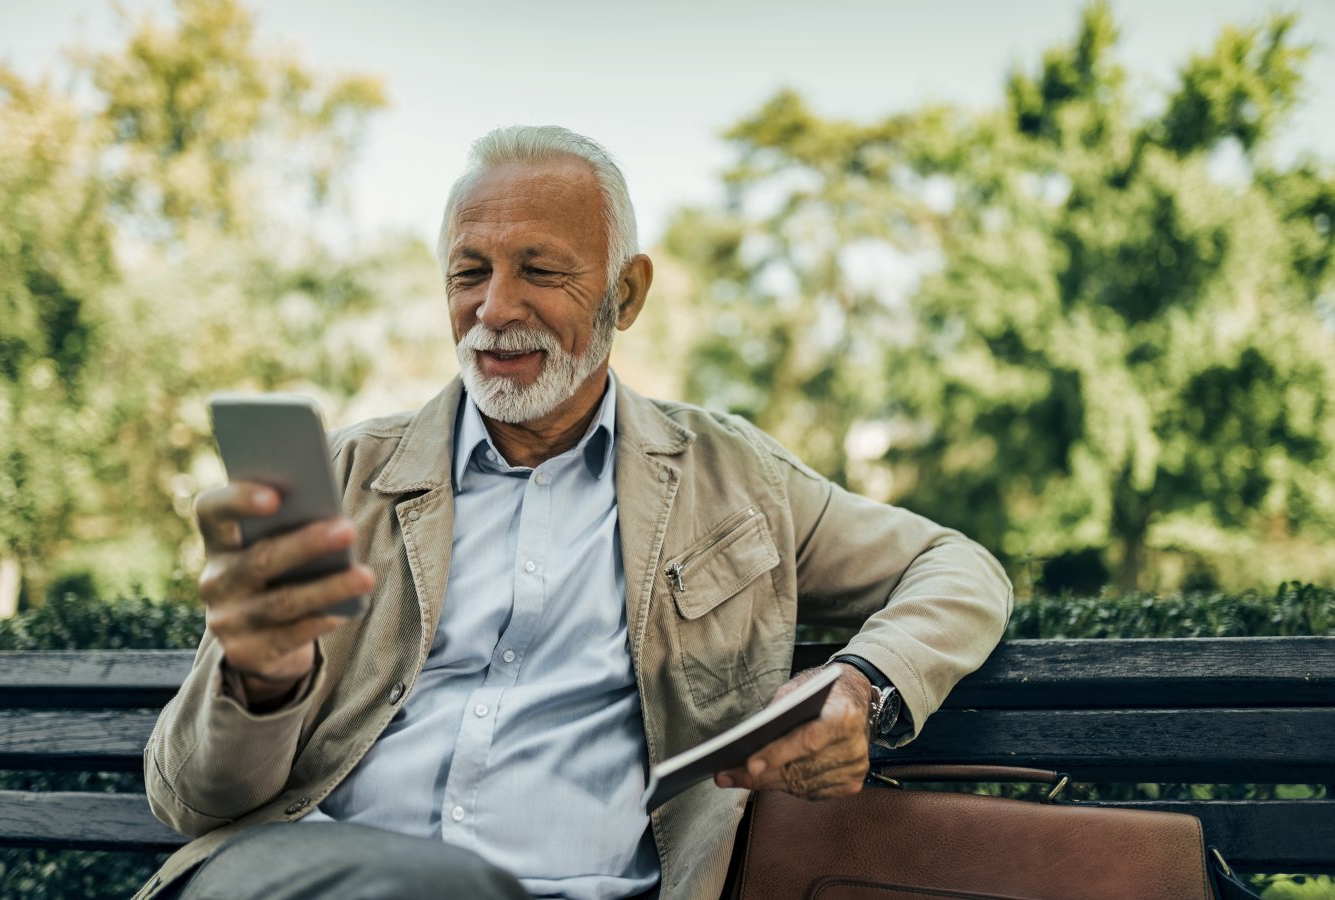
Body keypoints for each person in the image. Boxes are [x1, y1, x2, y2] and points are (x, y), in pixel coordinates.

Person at [139, 126, 1012, 900]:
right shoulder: (341, 479)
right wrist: (262, 683)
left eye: (542, 271)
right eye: (469, 272)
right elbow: (192, 803)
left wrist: (861, 687)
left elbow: (959, 568)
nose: (494, 309)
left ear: (625, 295)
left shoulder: (733, 480)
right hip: (314, 872)